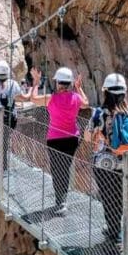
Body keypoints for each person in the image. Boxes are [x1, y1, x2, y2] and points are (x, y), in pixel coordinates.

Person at [30, 65, 89, 215]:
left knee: (57, 169)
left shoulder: (51, 98)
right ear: (70, 83)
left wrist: (36, 82)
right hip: (72, 138)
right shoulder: (76, 97)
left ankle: (60, 201)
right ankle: (63, 199)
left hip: (55, 139)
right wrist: (79, 88)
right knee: (65, 167)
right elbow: (86, 103)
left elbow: (33, 99)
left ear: (57, 83)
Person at [86, 73, 128, 246]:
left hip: (103, 163)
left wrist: (98, 135)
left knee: (108, 197)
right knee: (118, 196)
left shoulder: (99, 113)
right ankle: (116, 230)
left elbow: (87, 137)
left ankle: (115, 233)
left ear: (106, 92)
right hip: (124, 162)